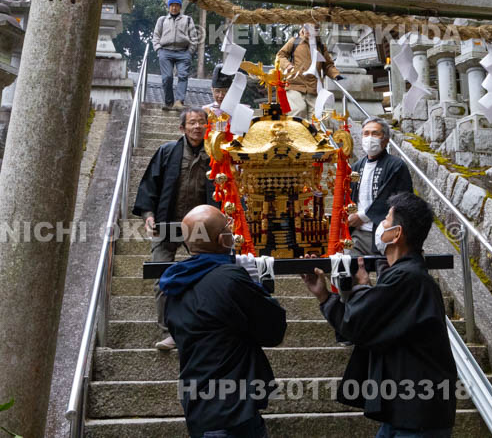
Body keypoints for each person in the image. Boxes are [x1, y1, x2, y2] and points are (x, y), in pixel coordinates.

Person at [301, 192, 458, 438]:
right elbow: (369, 324)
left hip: (418, 417)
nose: (379, 226)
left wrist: (359, 289)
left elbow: (357, 322)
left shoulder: (409, 279)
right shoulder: (406, 276)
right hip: (405, 413)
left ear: (396, 233)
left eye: (385, 220)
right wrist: (329, 295)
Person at [161, 205, 287, 438]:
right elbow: (273, 330)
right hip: (232, 409)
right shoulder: (229, 279)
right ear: (223, 239)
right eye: (229, 228)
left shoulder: (174, 285)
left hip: (198, 404)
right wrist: (257, 286)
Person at [132, 107, 215, 350]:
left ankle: (204, 328)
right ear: (182, 128)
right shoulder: (167, 152)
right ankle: (170, 332)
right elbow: (149, 186)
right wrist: (148, 216)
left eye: (201, 122)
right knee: (161, 278)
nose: (197, 127)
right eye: (192, 123)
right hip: (166, 224)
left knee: (209, 277)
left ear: (207, 126)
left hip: (201, 227)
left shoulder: (214, 154)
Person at [348, 117, 413, 256]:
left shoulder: (396, 165)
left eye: (375, 133)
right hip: (358, 233)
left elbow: (396, 198)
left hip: (386, 233)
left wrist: (363, 216)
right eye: (366, 133)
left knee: (386, 274)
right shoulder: (356, 167)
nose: (369, 138)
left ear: (386, 139)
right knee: (348, 269)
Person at [275, 23, 341, 119]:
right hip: (295, 85)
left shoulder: (321, 47)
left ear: (317, 31)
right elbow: (280, 55)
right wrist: (287, 65)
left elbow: (328, 65)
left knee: (317, 117)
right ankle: (295, 133)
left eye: (313, 29)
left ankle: (313, 133)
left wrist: (336, 75)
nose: (309, 31)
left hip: (313, 88)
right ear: (302, 27)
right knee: (298, 110)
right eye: (306, 28)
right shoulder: (294, 41)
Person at [152, 0, 199, 109]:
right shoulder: (162, 20)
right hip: (165, 51)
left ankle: (179, 102)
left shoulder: (187, 19)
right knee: (167, 77)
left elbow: (194, 37)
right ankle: (169, 103)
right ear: (169, 7)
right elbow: (156, 36)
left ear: (180, 7)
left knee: (183, 76)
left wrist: (189, 52)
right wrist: (158, 49)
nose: (174, 8)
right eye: (172, 5)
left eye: (176, 5)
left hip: (183, 52)